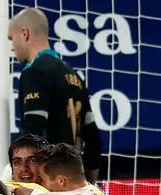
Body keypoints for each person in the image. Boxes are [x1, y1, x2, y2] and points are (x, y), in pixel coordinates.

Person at [9, 8, 104, 184]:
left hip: (49, 185)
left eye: (11, 38)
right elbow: (94, 139)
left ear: (24, 33)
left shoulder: (35, 71)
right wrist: (88, 185)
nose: (11, 46)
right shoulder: (72, 74)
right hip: (74, 182)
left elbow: (33, 133)